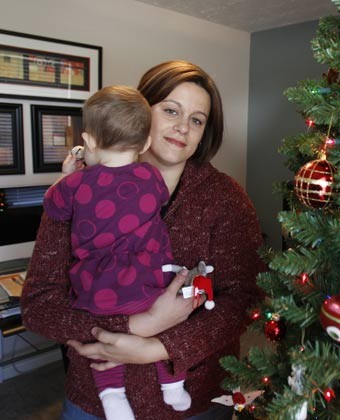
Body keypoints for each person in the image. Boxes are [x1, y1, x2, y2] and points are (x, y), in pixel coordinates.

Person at [22, 61, 265, 420]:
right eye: (170, 110)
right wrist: (133, 327)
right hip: (94, 401)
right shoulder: (78, 192)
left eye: (197, 120)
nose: (183, 127)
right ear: (139, 112)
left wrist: (157, 347)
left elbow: (243, 299)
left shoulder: (226, 199)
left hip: (195, 402)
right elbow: (38, 305)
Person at [43, 85, 194, 419]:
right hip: (147, 283)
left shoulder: (76, 185)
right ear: (144, 144)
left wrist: (66, 176)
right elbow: (161, 200)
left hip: (98, 289)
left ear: (90, 141)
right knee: (166, 329)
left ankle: (112, 395)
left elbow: (52, 207)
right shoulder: (151, 176)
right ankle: (173, 385)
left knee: (106, 338)